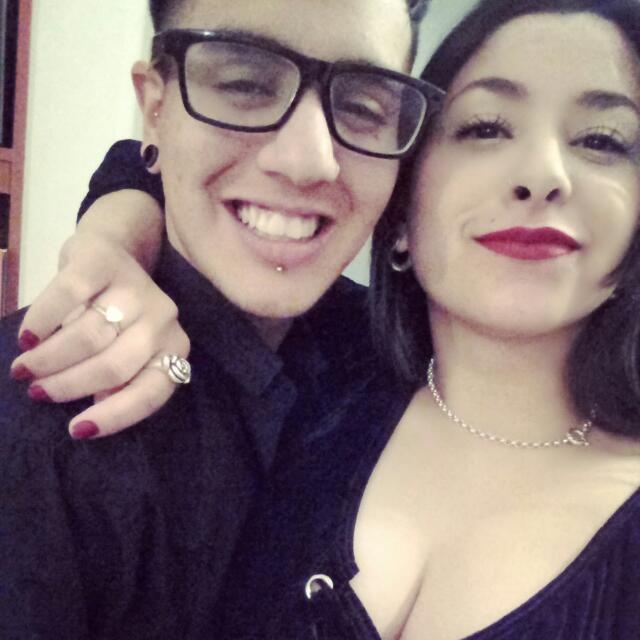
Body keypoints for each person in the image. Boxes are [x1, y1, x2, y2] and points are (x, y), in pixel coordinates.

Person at [0, 0, 443, 637]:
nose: (308, 160)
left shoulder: (405, 362)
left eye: (363, 107)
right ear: (155, 106)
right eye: (245, 85)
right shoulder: (37, 436)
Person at [213, 0, 640, 638]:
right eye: (487, 127)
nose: (543, 175)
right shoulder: (303, 362)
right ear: (401, 212)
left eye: (601, 141)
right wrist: (120, 225)